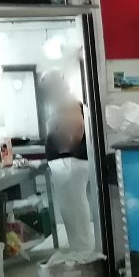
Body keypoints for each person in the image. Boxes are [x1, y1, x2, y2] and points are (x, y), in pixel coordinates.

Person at [40, 69, 95, 257]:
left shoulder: (67, 102)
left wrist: (65, 147)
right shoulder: (63, 103)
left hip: (69, 162)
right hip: (68, 162)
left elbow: (77, 127)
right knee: (71, 207)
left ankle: (82, 249)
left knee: (73, 208)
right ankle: (80, 247)